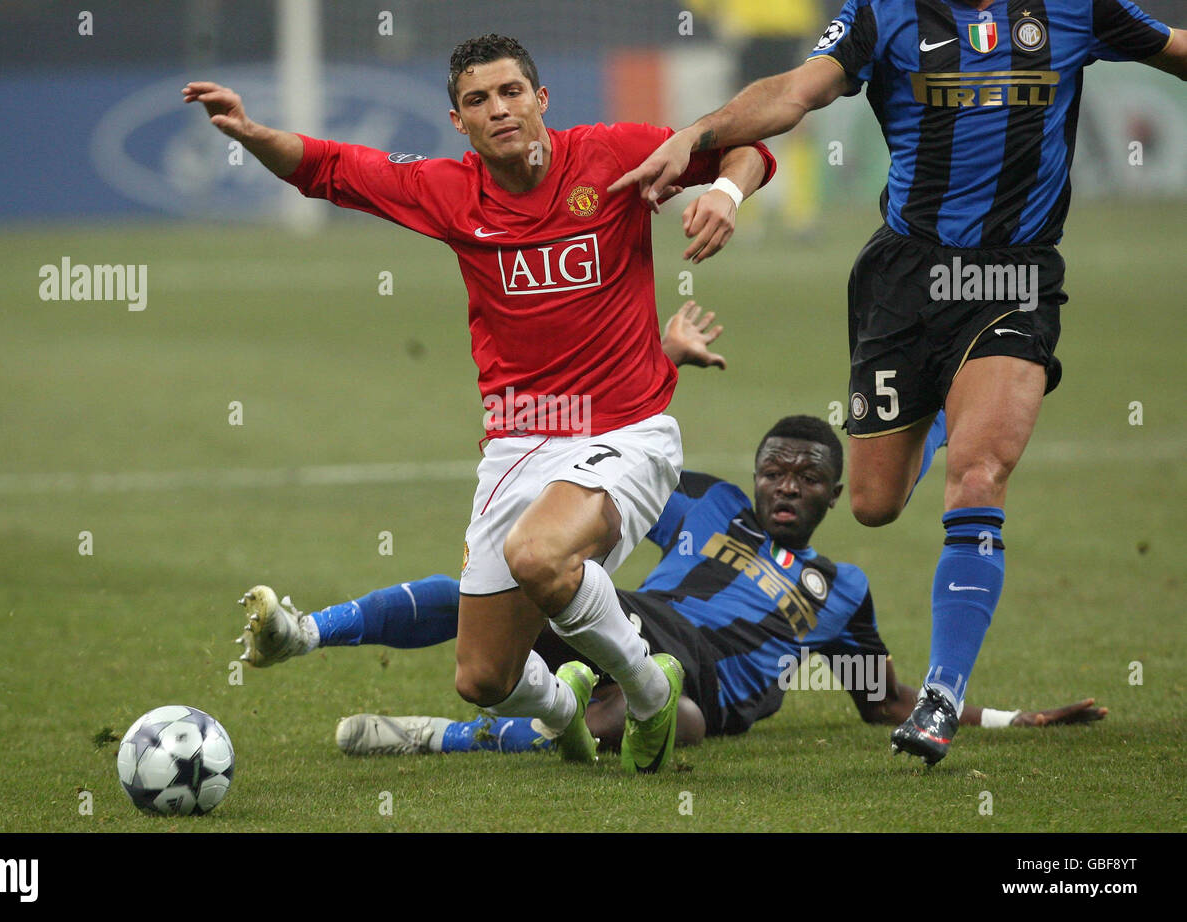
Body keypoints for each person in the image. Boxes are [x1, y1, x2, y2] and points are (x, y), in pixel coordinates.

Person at [610, 1, 1183, 765]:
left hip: (1015, 277)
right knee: (876, 502)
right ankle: (962, 401)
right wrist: (698, 139)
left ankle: (941, 696)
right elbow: (795, 92)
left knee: (978, 474)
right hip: (904, 283)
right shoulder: (885, 13)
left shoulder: (1078, 7)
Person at [186, 36, 776, 774]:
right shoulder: (450, 190)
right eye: (477, 100)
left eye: (510, 92)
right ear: (458, 120)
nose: (498, 109)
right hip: (517, 446)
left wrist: (724, 193)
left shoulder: (612, 156)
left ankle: (651, 695)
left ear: (541, 100)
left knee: (539, 555)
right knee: (484, 678)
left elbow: (743, 146)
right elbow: (329, 168)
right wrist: (252, 132)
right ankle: (565, 711)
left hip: (628, 430)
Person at [230, 405, 1104, 757]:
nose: (787, 485)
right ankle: (309, 632)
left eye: (806, 476)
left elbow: (881, 701)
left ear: (837, 494)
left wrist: (1008, 716)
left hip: (716, 691)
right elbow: (618, 463)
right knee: (499, 592)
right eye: (776, 471)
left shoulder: (844, 589)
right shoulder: (708, 504)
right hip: (634, 618)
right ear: (757, 477)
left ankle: (434, 737)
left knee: (659, 720)